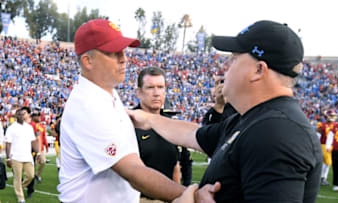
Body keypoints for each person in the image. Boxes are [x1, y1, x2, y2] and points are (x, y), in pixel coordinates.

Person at [128, 20, 322, 202]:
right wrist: (147, 118)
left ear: (258, 70)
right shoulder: (254, 119)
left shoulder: (276, 132)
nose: (225, 67)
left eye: (234, 59)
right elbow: (193, 134)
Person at [57, 19, 218, 203]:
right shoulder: (87, 105)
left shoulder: (105, 93)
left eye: (124, 51)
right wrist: (193, 196)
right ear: (88, 61)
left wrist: (147, 119)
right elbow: (133, 171)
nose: (124, 58)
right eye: (114, 53)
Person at [134, 67, 183, 202]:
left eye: (160, 87)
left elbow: (176, 166)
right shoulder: (128, 124)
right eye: (150, 87)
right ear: (139, 93)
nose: (156, 93)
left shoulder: (171, 124)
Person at [4, 108, 39, 203]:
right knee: (17, 178)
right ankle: (21, 198)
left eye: (23, 114)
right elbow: (8, 144)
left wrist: (38, 152)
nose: (21, 116)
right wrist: (8, 158)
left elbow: (33, 141)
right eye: (19, 114)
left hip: (28, 156)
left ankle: (20, 187)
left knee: (31, 175)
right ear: (16, 116)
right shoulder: (11, 128)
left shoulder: (29, 127)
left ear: (25, 116)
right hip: (15, 157)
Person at [316, 110, 337, 186]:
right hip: (324, 145)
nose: (333, 117)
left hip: (333, 145)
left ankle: (323, 177)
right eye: (331, 115)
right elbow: (317, 135)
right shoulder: (321, 124)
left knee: (328, 163)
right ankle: (322, 178)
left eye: (333, 115)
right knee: (328, 162)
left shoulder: (335, 124)